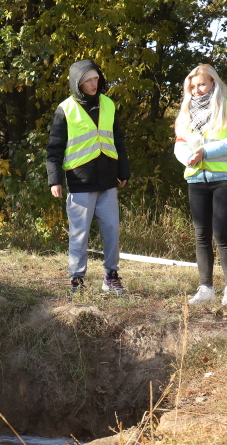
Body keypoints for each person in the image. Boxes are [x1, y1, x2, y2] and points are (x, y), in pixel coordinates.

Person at [46, 59, 131, 295]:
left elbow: (119, 141)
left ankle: (111, 276)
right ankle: (76, 279)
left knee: (112, 230)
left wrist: (124, 171)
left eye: (96, 78)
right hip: (79, 182)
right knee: (79, 233)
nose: (94, 83)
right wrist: (55, 180)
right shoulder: (65, 109)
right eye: (88, 80)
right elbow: (54, 149)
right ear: (77, 83)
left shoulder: (108, 104)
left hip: (108, 181)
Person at [174, 64, 227, 307]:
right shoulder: (186, 110)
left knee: (220, 233)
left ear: (213, 83)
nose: (196, 90)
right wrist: (188, 157)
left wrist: (204, 152)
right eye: (192, 86)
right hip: (196, 178)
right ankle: (205, 288)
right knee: (201, 235)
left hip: (225, 178)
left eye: (202, 84)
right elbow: (179, 143)